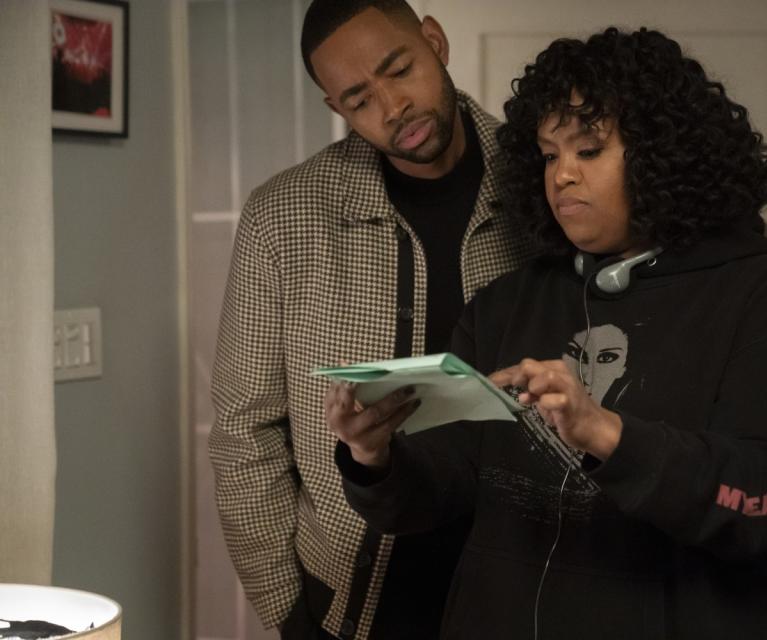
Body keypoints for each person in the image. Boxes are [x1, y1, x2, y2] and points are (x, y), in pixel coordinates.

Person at [328, 27, 767, 639]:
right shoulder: (505, 306)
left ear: (664, 153)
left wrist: (605, 432)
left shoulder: (765, 299)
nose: (562, 176)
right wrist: (373, 457)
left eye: (588, 150)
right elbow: (440, 493)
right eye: (550, 155)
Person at [207, 1, 532, 638]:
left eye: (399, 70)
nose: (391, 108)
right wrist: (292, 614)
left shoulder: (544, 182)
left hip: (527, 578)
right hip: (358, 595)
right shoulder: (283, 217)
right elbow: (243, 434)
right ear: (336, 109)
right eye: (359, 99)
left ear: (434, 42)